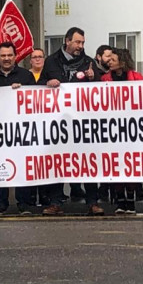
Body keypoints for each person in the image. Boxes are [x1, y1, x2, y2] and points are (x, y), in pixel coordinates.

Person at [40, 27, 99, 216]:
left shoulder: (88, 62)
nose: (80, 46)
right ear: (67, 41)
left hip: (83, 122)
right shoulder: (51, 61)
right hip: (59, 122)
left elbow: (100, 89)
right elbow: (39, 86)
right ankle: (56, 201)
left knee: (87, 162)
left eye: (82, 43)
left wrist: (93, 77)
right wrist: (47, 84)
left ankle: (92, 202)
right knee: (57, 161)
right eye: (77, 42)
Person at [0, 41, 36, 214]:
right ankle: (1, 203)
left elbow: (35, 99)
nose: (6, 59)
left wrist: (23, 91)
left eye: (10, 55)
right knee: (0, 165)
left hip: (21, 130)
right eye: (3, 55)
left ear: (15, 57)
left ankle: (24, 203)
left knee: (23, 165)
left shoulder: (26, 76)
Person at [101, 47, 143, 213]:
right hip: (112, 129)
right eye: (108, 59)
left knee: (131, 163)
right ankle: (120, 200)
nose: (108, 61)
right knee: (115, 163)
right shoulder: (104, 79)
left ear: (123, 61)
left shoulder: (138, 79)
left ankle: (130, 199)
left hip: (132, 129)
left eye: (112, 59)